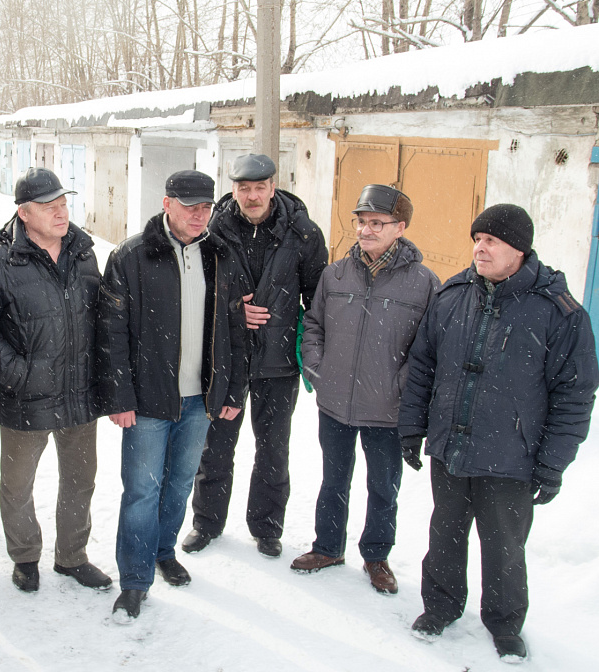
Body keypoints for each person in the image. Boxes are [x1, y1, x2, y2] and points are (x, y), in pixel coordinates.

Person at [398, 204, 598, 661]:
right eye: (477, 239)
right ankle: (441, 606)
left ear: (519, 250)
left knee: (505, 545)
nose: (479, 248)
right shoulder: (453, 295)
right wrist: (413, 427)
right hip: (451, 445)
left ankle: (505, 623)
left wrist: (552, 464)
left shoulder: (559, 313)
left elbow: (574, 395)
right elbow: (423, 366)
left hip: (512, 455)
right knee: (445, 532)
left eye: (492, 241)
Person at [97, 170, 247, 622]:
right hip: (147, 400)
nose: (200, 215)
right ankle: (135, 580)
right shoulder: (133, 256)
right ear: (167, 204)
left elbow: (236, 329)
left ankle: (163, 551)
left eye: (206, 207)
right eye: (189, 206)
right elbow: (112, 333)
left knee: (181, 482)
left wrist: (234, 387)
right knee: (142, 490)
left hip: (199, 399)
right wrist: (119, 397)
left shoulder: (221, 256)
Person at [0, 167, 111, 593]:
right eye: (49, 207)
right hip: (25, 395)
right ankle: (25, 557)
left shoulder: (84, 252)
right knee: (17, 484)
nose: (61, 213)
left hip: (80, 393)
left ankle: (72, 557)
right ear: (24, 213)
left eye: (64, 204)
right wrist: (18, 374)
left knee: (81, 479)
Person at [293, 184, 438, 594]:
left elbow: (429, 348)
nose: (366, 230)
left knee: (382, 486)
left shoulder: (423, 283)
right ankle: (328, 547)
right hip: (335, 401)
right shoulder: (335, 274)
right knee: (333, 479)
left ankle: (376, 556)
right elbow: (314, 325)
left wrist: (401, 387)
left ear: (400, 227)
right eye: (361, 221)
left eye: (378, 223)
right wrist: (319, 368)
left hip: (388, 408)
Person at [183, 153, 327, 558]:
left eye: (259, 187)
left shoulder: (304, 233)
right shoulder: (213, 232)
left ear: (273, 187)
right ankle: (206, 522)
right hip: (225, 357)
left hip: (279, 361)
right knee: (216, 445)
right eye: (243, 188)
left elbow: (317, 299)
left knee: (273, 447)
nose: (252, 195)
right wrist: (233, 310)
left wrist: (309, 350)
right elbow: (198, 289)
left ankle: (266, 527)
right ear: (234, 189)